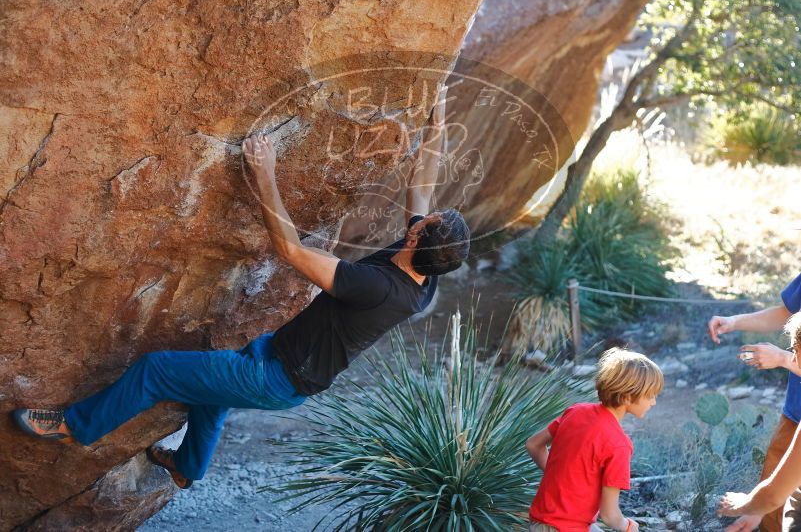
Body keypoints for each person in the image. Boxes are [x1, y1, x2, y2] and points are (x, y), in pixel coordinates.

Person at [12, 85, 470, 489]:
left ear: (415, 238)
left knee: (156, 370)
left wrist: (265, 175)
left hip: (276, 376)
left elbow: (290, 253)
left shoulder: (378, 287)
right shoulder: (425, 266)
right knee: (212, 395)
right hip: (281, 358)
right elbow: (422, 186)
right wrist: (438, 125)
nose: (427, 213)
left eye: (427, 222)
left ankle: (74, 426)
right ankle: (188, 466)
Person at [526, 348, 664, 532]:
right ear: (626, 397)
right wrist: (630, 527)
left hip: (539, 523)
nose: (653, 402)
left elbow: (533, 445)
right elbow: (609, 516)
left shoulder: (576, 411)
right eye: (650, 396)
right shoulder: (618, 444)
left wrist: (563, 479)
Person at [707, 272, 801, 532]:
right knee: (778, 513)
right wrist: (734, 321)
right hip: (795, 414)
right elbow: (785, 312)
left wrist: (783, 359)